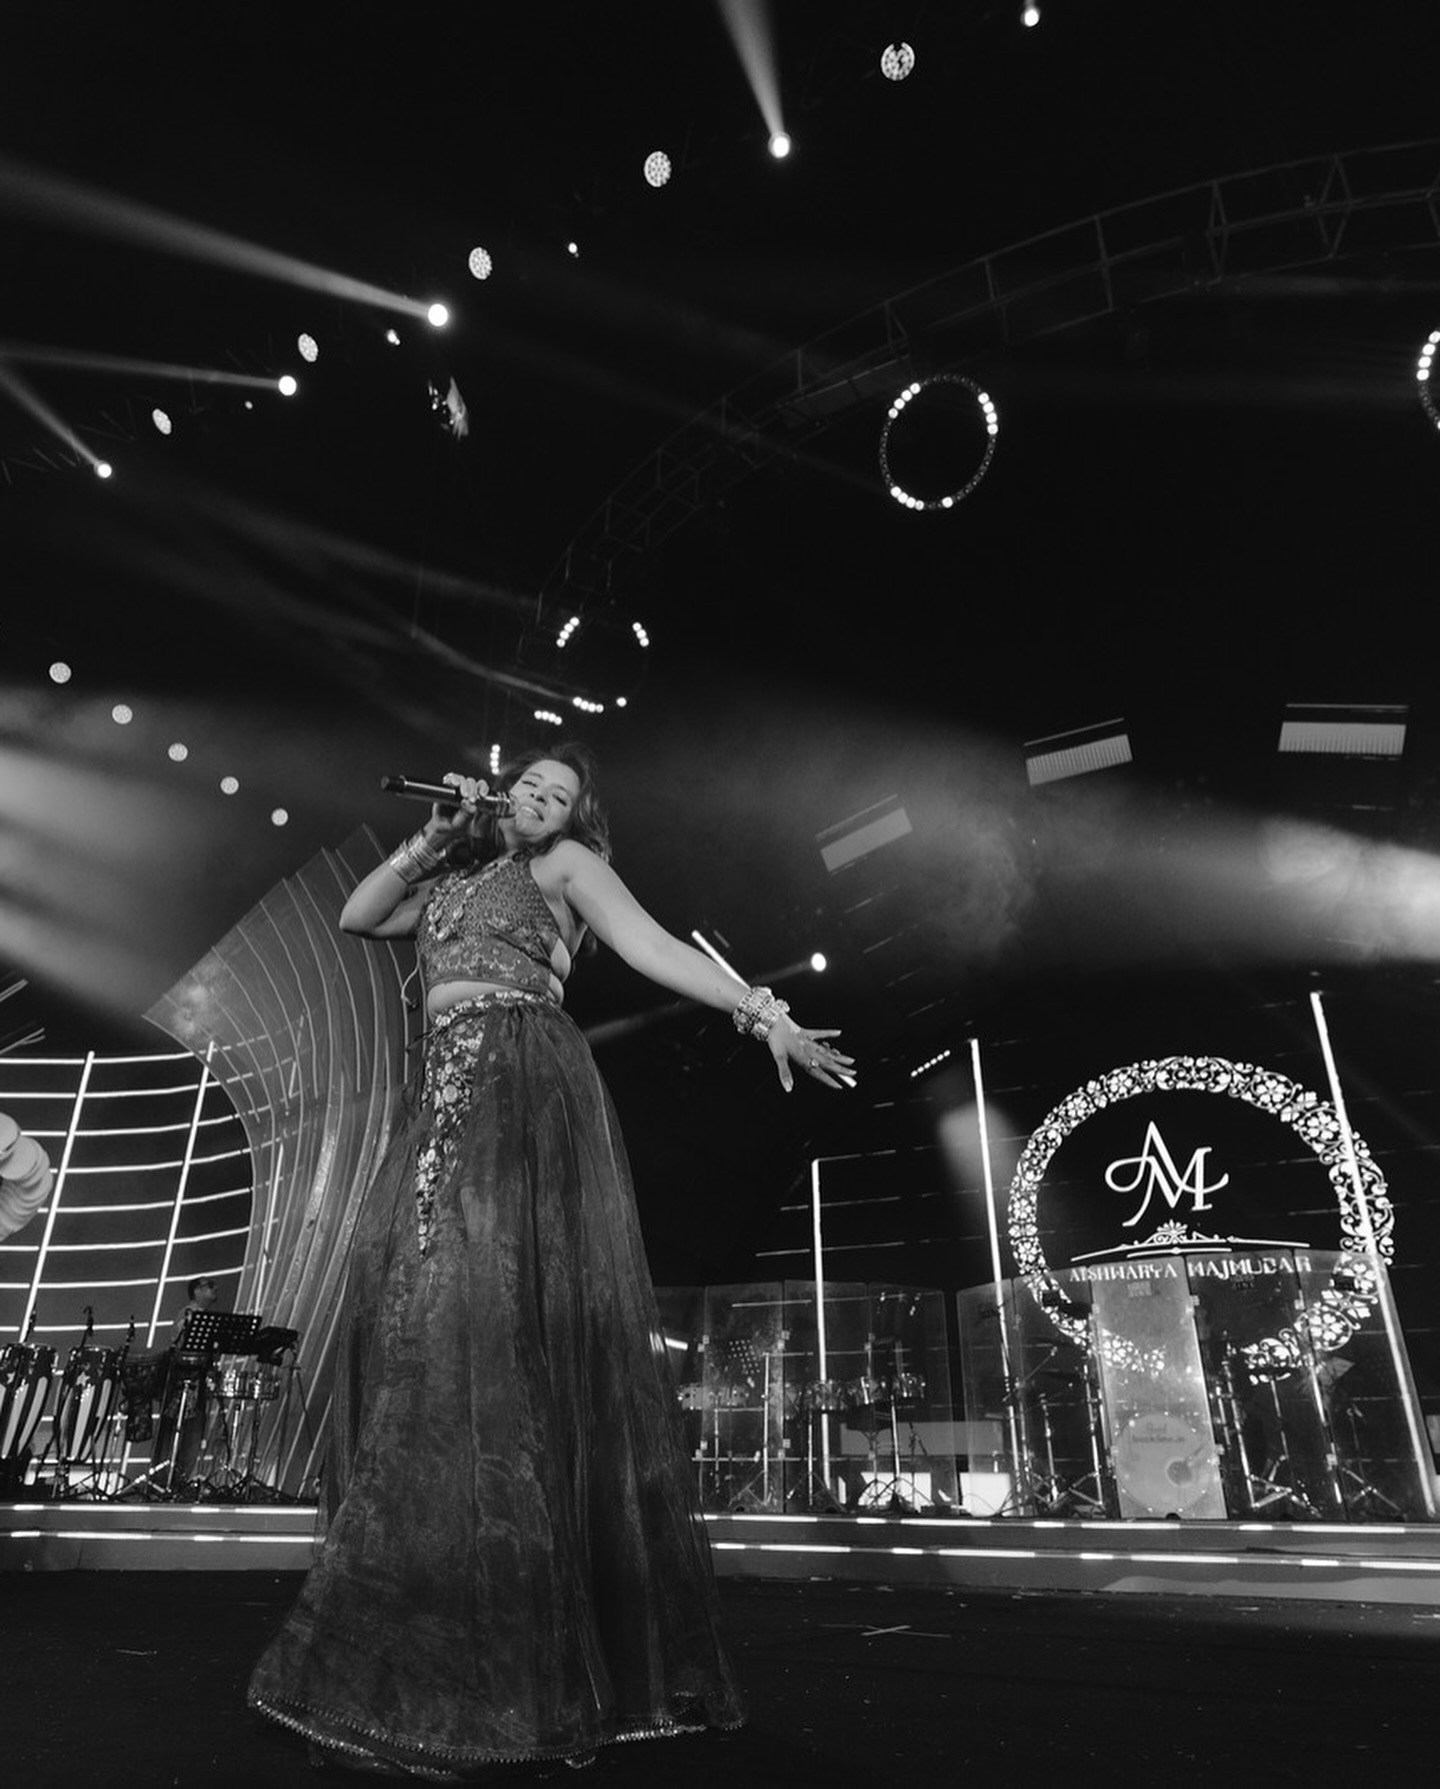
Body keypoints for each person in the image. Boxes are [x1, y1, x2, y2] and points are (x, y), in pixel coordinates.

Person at [248, 744, 853, 1778]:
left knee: (497, 1305)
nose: (536, 798)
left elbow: (656, 945)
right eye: (528, 783)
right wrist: (433, 836)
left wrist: (765, 1014)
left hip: (522, 1087)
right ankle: (443, 1600)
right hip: (441, 1100)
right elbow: (359, 916)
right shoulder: (449, 876)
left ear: (576, 819)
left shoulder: (563, 869)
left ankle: (539, 1632)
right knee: (428, 1322)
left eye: (558, 795)